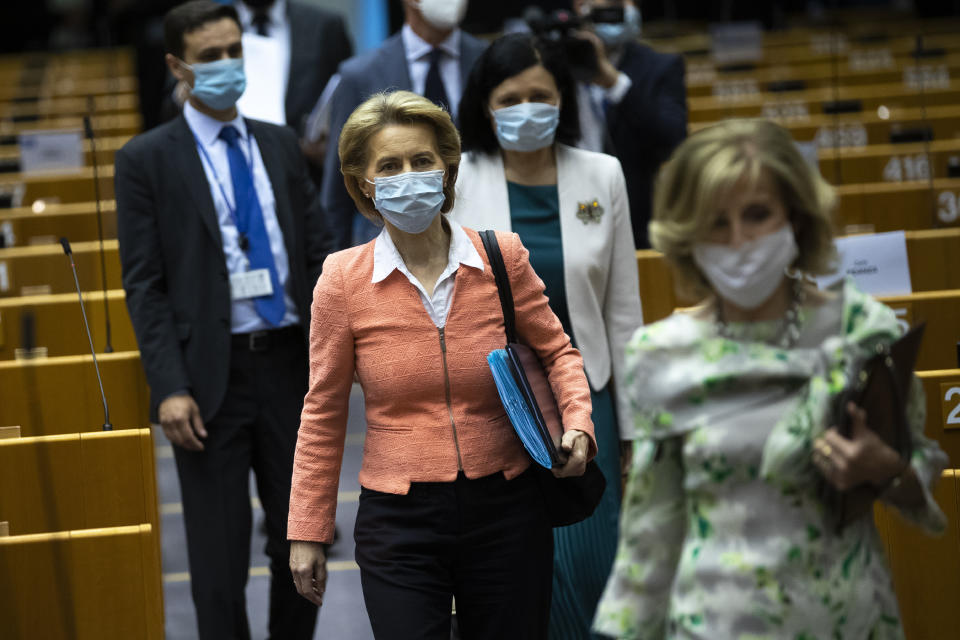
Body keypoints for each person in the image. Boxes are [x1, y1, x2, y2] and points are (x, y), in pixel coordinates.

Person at [593, 119, 949, 639]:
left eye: (757, 215)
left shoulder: (862, 331)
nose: (738, 241)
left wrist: (888, 471)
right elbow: (653, 524)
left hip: (843, 618)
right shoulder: (659, 353)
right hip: (713, 622)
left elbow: (922, 472)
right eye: (716, 222)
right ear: (689, 236)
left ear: (797, 219)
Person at [287, 90, 596, 640]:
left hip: (507, 504)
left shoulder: (501, 257)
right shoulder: (342, 280)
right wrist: (307, 528)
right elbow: (323, 411)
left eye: (422, 161)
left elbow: (557, 352)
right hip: (399, 517)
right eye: (390, 166)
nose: (409, 175)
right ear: (364, 183)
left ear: (447, 169)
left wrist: (578, 425)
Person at [114, 2, 335, 638]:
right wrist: (169, 386)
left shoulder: (278, 143)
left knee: (303, 542)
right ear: (177, 66)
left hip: (292, 369)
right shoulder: (146, 160)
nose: (227, 65)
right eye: (210, 56)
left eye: (234, 51)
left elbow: (318, 254)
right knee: (217, 564)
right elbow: (145, 285)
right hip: (208, 380)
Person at [453, 32, 643, 640]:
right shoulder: (456, 181)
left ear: (563, 100)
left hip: (591, 395)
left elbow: (623, 311)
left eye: (541, 94)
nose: (527, 108)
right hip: (500, 402)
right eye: (510, 97)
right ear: (485, 104)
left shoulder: (602, 174)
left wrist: (635, 425)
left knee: (597, 558)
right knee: (525, 563)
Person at [320, 0, 487, 249]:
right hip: (384, 245)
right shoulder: (359, 74)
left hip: (479, 234)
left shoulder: (486, 61)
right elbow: (338, 190)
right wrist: (336, 268)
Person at [570, 0, 687, 249]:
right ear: (580, 8)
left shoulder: (661, 66)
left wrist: (615, 84)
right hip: (567, 210)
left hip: (635, 217)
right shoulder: (553, 64)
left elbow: (673, 140)